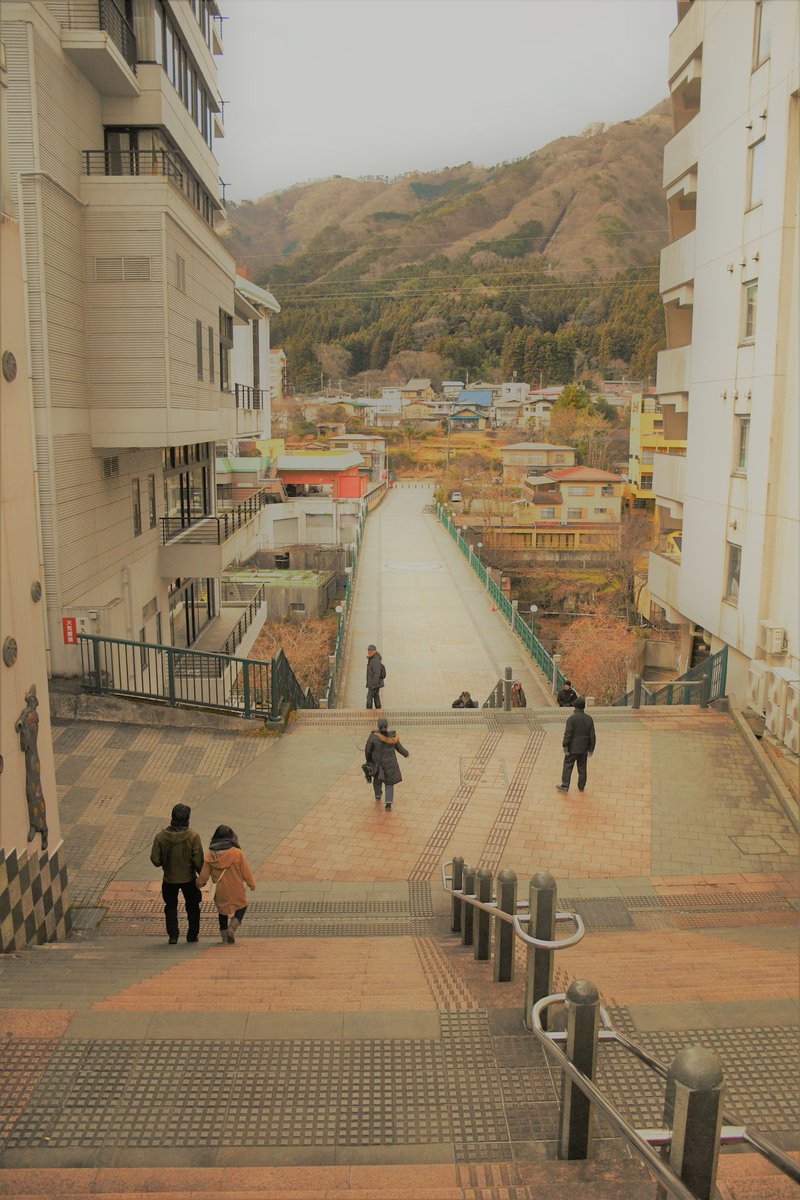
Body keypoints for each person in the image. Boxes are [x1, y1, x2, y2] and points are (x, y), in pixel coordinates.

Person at [150, 803, 204, 944]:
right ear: (187, 819)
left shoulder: (161, 837)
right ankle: (192, 935)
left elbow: (155, 860)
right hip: (189, 878)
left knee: (170, 906)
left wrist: (165, 862)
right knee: (193, 906)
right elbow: (198, 861)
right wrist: (202, 876)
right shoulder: (193, 836)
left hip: (169, 878)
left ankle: (173, 935)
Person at [196, 825, 256, 945]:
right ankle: (232, 928)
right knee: (242, 906)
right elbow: (246, 872)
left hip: (220, 891)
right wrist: (251, 884)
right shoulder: (237, 853)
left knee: (222, 912)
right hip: (237, 889)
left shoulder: (210, 855)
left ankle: (224, 937)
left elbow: (203, 876)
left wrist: (199, 884)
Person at [364, 716, 410, 810]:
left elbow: (367, 750)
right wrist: (406, 754)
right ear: (387, 725)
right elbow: (399, 747)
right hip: (390, 764)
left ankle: (378, 795)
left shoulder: (373, 737)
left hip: (377, 764)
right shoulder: (393, 737)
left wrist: (368, 760)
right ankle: (388, 803)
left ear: (378, 725)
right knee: (389, 783)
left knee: (377, 780)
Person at [556, 697, 596, 794]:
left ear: (575, 706)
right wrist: (591, 748)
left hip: (572, 748)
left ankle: (565, 786)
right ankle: (581, 786)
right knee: (582, 768)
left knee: (568, 766)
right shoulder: (589, 719)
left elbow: (568, 734)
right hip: (584, 749)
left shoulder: (571, 719)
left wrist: (565, 745)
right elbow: (592, 735)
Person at [366, 644, 386, 709]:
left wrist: (374, 684)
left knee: (369, 697)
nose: (369, 652)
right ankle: (379, 710)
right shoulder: (372, 658)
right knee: (376, 696)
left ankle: (368, 712)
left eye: (370, 650)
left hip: (374, 684)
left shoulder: (375, 660)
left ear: (374, 651)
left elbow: (377, 673)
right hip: (374, 683)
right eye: (368, 650)